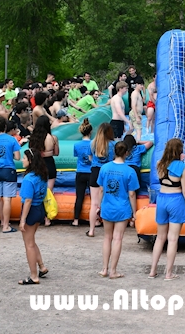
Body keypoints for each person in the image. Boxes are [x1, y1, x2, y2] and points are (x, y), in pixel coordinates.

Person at [149, 138, 185, 280]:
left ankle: (153, 270)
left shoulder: (159, 164)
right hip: (176, 200)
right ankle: (168, 273)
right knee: (172, 239)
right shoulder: (181, 166)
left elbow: (167, 166)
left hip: (161, 199)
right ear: (179, 151)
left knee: (160, 238)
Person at [98, 141, 139, 279]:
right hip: (122, 208)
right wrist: (134, 212)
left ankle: (104, 268)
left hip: (107, 206)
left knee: (107, 237)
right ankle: (113, 270)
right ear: (126, 153)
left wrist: (98, 205)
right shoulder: (130, 171)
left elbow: (101, 189)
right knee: (117, 238)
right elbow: (132, 194)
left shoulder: (104, 168)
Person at [17, 148, 49, 285]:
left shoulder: (28, 179)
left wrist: (22, 220)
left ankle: (33, 275)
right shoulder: (42, 175)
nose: (22, 160)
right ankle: (41, 266)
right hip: (40, 209)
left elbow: (28, 200)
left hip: (31, 211)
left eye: (24, 158)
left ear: (30, 161)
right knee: (32, 241)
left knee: (28, 244)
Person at [29, 115, 58, 226]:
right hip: (49, 164)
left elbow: (31, 153)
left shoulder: (33, 138)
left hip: (38, 164)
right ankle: (47, 218)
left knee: (37, 192)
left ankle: (38, 216)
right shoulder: (52, 138)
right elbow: (56, 153)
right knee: (48, 193)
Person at [88, 123, 116, 237]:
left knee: (94, 203)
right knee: (109, 200)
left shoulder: (92, 143)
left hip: (95, 172)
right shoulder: (112, 145)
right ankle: (109, 230)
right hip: (107, 173)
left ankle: (91, 230)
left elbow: (90, 158)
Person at [72, 119, 94, 227]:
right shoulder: (93, 144)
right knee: (93, 198)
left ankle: (76, 219)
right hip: (91, 172)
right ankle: (95, 220)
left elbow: (77, 156)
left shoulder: (76, 144)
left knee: (79, 197)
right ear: (91, 132)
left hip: (80, 171)